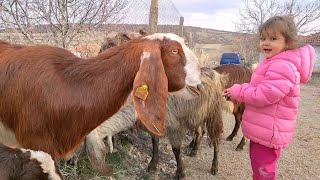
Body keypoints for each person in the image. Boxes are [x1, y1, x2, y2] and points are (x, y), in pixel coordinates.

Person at [223, 15, 315, 180]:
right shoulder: (272, 62)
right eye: (263, 38)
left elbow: (263, 95)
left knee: (264, 168)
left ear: (288, 43)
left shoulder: (282, 66)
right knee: (259, 166)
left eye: (273, 38)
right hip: (264, 129)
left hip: (269, 132)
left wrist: (238, 92)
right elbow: (257, 88)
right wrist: (237, 89)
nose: (266, 42)